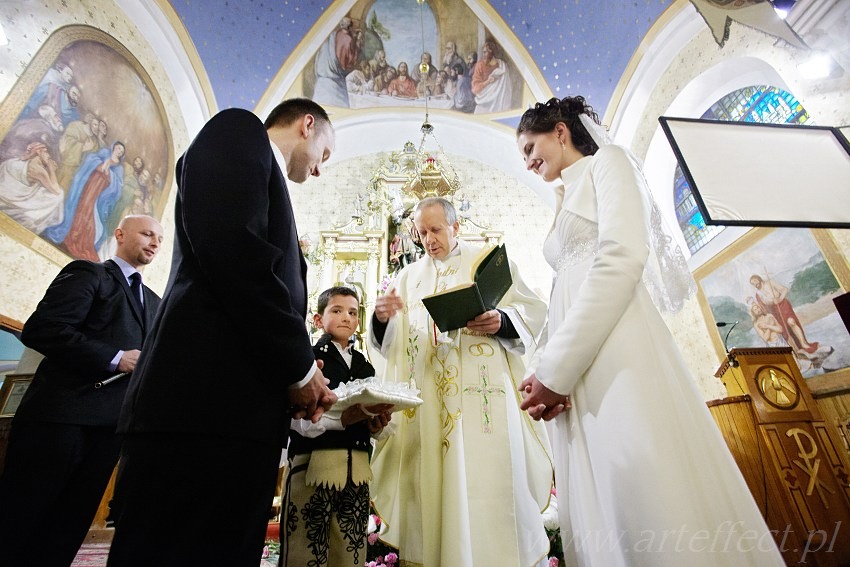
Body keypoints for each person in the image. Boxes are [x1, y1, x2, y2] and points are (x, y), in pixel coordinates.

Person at [515, 96, 784, 566]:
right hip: (575, 360)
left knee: (637, 474)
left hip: (618, 345)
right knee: (601, 487)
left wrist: (556, 369)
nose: (527, 160)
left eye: (530, 145)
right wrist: (547, 368)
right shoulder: (563, 195)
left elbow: (621, 257)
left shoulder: (609, 164)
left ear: (560, 131)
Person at [105, 99, 338, 567]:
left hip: (233, 420)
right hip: (199, 415)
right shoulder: (238, 130)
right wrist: (297, 367)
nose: (318, 172)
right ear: (307, 125)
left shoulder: (261, 171)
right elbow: (235, 249)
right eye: (325, 154)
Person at [368, 197, 553, 566]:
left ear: (455, 226)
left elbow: (535, 312)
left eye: (436, 229)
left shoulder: (486, 262)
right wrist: (381, 319)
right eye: (421, 233)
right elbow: (389, 349)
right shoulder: (407, 278)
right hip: (429, 412)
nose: (429, 240)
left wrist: (502, 320)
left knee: (489, 488)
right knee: (435, 492)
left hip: (484, 406)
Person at [0, 214, 164, 567]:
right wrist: (116, 358)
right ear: (119, 234)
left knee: (68, 526)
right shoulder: (89, 274)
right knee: (21, 517)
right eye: (147, 233)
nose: (154, 242)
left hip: (110, 429)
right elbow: (43, 329)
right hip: (60, 419)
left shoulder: (154, 301)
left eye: (159, 239)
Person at [281, 286, 392, 566]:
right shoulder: (307, 359)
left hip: (356, 472)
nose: (346, 317)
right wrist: (342, 419)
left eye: (353, 312)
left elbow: (377, 428)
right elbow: (296, 420)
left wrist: (378, 423)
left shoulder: (366, 367)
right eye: (337, 310)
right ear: (318, 320)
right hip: (313, 465)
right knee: (306, 551)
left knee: (350, 553)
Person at [44, 141, 126, 261]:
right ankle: (70, 238)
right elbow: (91, 160)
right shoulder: (104, 153)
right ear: (114, 147)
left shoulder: (119, 168)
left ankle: (81, 244)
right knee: (80, 209)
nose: (119, 151)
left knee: (89, 214)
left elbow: (118, 186)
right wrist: (102, 164)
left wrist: (110, 174)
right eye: (118, 148)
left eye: (121, 151)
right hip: (90, 185)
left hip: (100, 194)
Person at [471, 40, 513, 114]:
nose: (483, 55)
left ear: (491, 52)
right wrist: (487, 82)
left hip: (499, 103)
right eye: (483, 52)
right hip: (484, 102)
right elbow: (475, 88)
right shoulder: (479, 65)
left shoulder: (502, 66)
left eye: (485, 52)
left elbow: (507, 87)